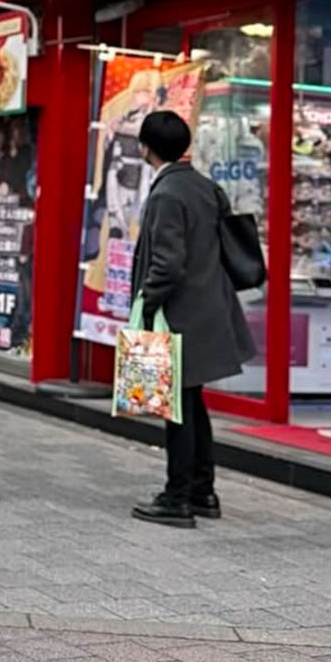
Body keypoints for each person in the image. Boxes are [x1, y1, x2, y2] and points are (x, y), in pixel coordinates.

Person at [131, 110, 254, 528]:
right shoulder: (205, 187)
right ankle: (204, 491)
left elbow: (167, 263)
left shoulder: (166, 195)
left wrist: (147, 304)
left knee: (177, 409)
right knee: (192, 403)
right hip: (210, 311)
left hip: (179, 316)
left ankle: (177, 496)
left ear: (146, 146)